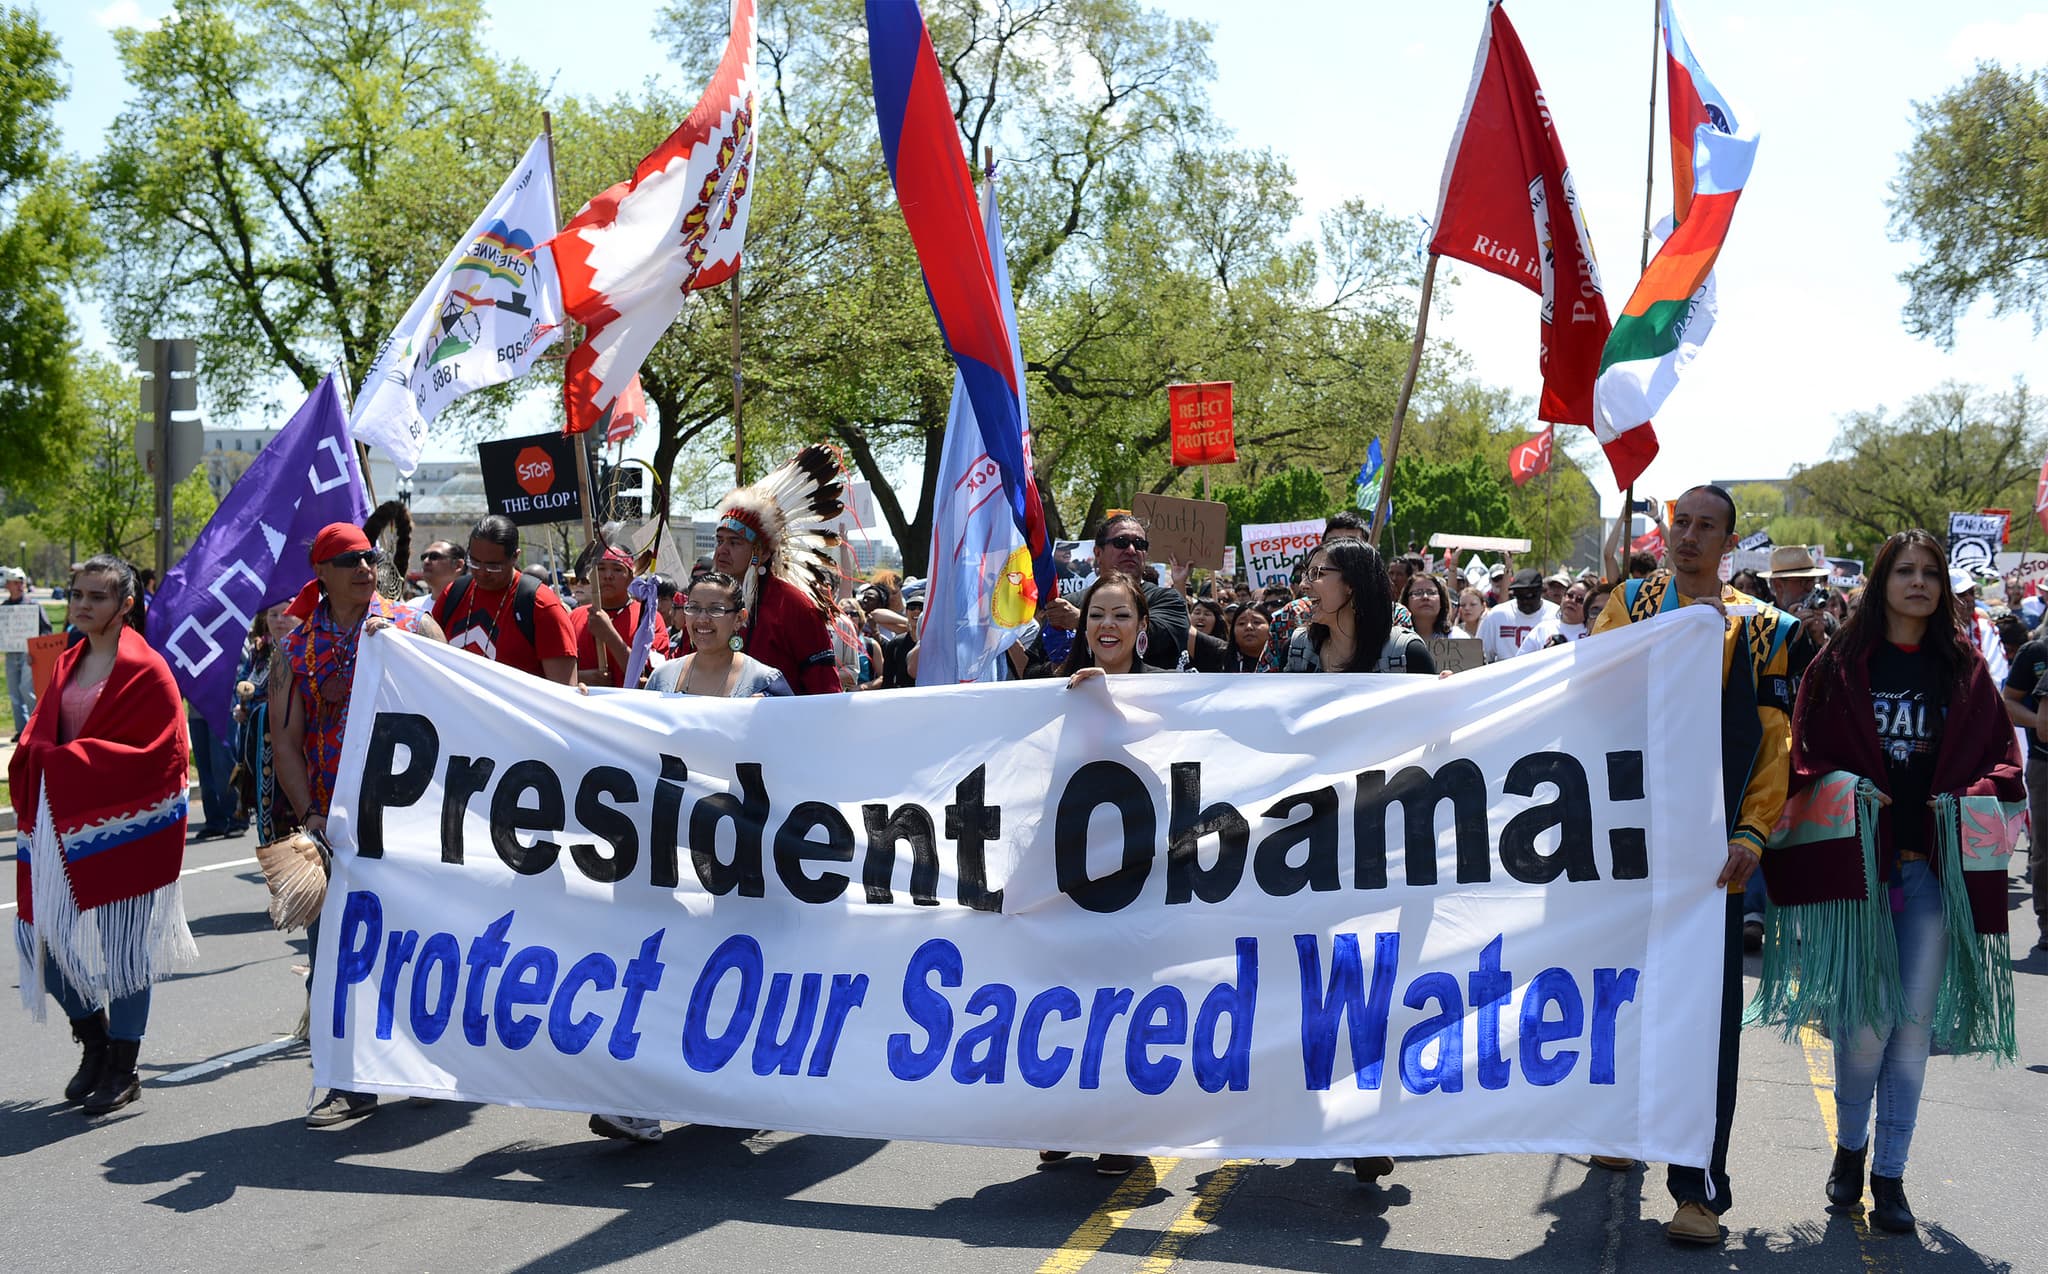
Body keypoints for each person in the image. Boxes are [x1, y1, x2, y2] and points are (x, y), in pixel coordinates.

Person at [1755, 529, 2022, 1235]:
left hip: (1932, 874)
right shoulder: (1840, 664)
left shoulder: (1965, 670)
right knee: (1864, 1027)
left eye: (1930, 573)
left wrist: (1965, 797)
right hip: (1859, 874)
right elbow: (1799, 755)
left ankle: (1891, 1176)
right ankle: (1850, 1148)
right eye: (1905, 571)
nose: (1919, 583)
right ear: (1882, 582)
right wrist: (1843, 786)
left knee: (1911, 1029)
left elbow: (2003, 763)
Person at [1590, 484, 1796, 1246]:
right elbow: (1585, 695)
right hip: (1624, 846)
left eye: (1708, 527)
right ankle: (1620, 1124)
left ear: (1729, 543)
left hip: (1712, 860)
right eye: (1682, 523)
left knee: (1707, 1022)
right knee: (1619, 997)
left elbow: (1774, 741)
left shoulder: (1764, 626)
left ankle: (1698, 1189)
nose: (1691, 537)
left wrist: (1753, 832)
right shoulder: (1628, 602)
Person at [10, 555, 194, 1115]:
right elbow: (41, 734)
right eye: (77, 595)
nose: (83, 604)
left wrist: (68, 760)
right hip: (63, 820)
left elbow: (163, 753)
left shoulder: (148, 669)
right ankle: (93, 1037)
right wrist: (39, 755)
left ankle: (123, 1065)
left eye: (96, 596)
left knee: (124, 954)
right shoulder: (66, 662)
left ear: (125, 605)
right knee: (41, 941)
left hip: (131, 825)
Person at [276, 523, 444, 1127]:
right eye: (348, 560)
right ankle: (348, 1080)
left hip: (410, 821)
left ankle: (427, 1064)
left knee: (419, 947)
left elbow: (457, 716)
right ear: (320, 571)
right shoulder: (295, 649)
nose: (364, 567)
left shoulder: (413, 629)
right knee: (334, 956)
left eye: (369, 557)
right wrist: (311, 815)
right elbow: (286, 741)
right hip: (334, 825)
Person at [1037, 569, 1163, 1175]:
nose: (1107, 626)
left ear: (1141, 630)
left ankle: (1121, 1127)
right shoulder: (1047, 693)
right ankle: (1066, 1114)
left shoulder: (1171, 692)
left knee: (1128, 999)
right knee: (1068, 995)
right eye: (1096, 616)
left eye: (1120, 616)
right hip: (1069, 872)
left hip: (1145, 874)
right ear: (1082, 627)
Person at [709, 446, 847, 694]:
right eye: (719, 541)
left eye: (735, 542)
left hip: (782, 728)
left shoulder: (794, 606)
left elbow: (825, 690)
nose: (722, 550)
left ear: (761, 553)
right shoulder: (707, 601)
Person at [1259, 513, 1413, 671]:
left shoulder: (1402, 645)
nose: (1304, 585)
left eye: (1351, 544)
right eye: (1333, 543)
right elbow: (1268, 685)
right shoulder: (1295, 640)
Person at [434, 516, 576, 685]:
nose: (482, 572)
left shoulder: (541, 605)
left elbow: (563, 690)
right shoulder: (454, 593)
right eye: (475, 562)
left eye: (493, 566)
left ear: (515, 557)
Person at [1041, 514, 1190, 672]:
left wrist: (1082, 620)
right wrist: (1061, 667)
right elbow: (1031, 671)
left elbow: (1165, 640)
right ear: (1098, 553)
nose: (1131, 550)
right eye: (1121, 542)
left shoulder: (1169, 599)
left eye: (1140, 544)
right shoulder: (1066, 606)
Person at [1280, 540, 1435, 675]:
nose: (1303, 585)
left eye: (1316, 573)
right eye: (1305, 575)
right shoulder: (1296, 652)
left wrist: (1449, 695)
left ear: (1352, 583)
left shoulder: (1407, 654)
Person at [232, 603, 300, 844]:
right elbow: (242, 686)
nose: (280, 620)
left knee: (294, 820)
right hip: (261, 751)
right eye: (273, 615)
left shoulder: (307, 649)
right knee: (268, 821)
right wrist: (241, 710)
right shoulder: (259, 651)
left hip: (296, 749)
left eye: (287, 613)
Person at [569, 546, 669, 688]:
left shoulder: (649, 619)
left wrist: (610, 636)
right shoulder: (574, 617)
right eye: (600, 568)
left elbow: (653, 681)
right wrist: (581, 677)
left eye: (617, 569)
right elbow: (555, 672)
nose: (608, 575)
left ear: (631, 576)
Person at [5, 566, 51, 740]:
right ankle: (21, 729)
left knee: (27, 690)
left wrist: (37, 650)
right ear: (7, 585)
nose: (19, 586)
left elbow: (46, 630)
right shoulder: (4, 608)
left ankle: (35, 727)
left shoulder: (33, 605)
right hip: (11, 653)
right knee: (14, 692)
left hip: (29, 655)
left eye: (21, 582)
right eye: (15, 583)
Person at [1478, 568, 1556, 662]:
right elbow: (1481, 654)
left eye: (1529, 596)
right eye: (1519, 596)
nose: (1524, 601)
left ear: (1541, 592)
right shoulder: (1497, 615)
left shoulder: (1555, 615)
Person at [1517, 580, 1591, 654]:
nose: (1572, 601)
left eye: (1580, 599)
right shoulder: (1543, 628)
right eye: (1570, 595)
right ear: (1563, 597)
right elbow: (1521, 661)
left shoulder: (1591, 634)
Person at [1182, 597, 1230, 671]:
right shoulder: (1181, 646)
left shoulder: (1222, 649)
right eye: (1197, 613)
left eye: (1207, 614)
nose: (1201, 617)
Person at [1404, 573, 1454, 638]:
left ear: (1441, 600)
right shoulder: (1395, 638)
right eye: (1418, 593)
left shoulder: (1457, 637)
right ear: (1406, 601)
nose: (1425, 597)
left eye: (1431, 592)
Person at [1224, 604, 1268, 673]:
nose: (1249, 627)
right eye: (1241, 623)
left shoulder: (1284, 659)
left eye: (1256, 622)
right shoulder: (1221, 660)